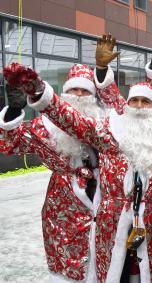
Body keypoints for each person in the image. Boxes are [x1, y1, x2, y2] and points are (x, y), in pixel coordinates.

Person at [0, 63, 106, 283]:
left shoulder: (104, 124)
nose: (79, 95)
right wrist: (13, 111)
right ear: (64, 93)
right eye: (74, 90)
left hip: (103, 204)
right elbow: (10, 144)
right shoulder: (44, 126)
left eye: (85, 90)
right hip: (62, 211)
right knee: (65, 274)